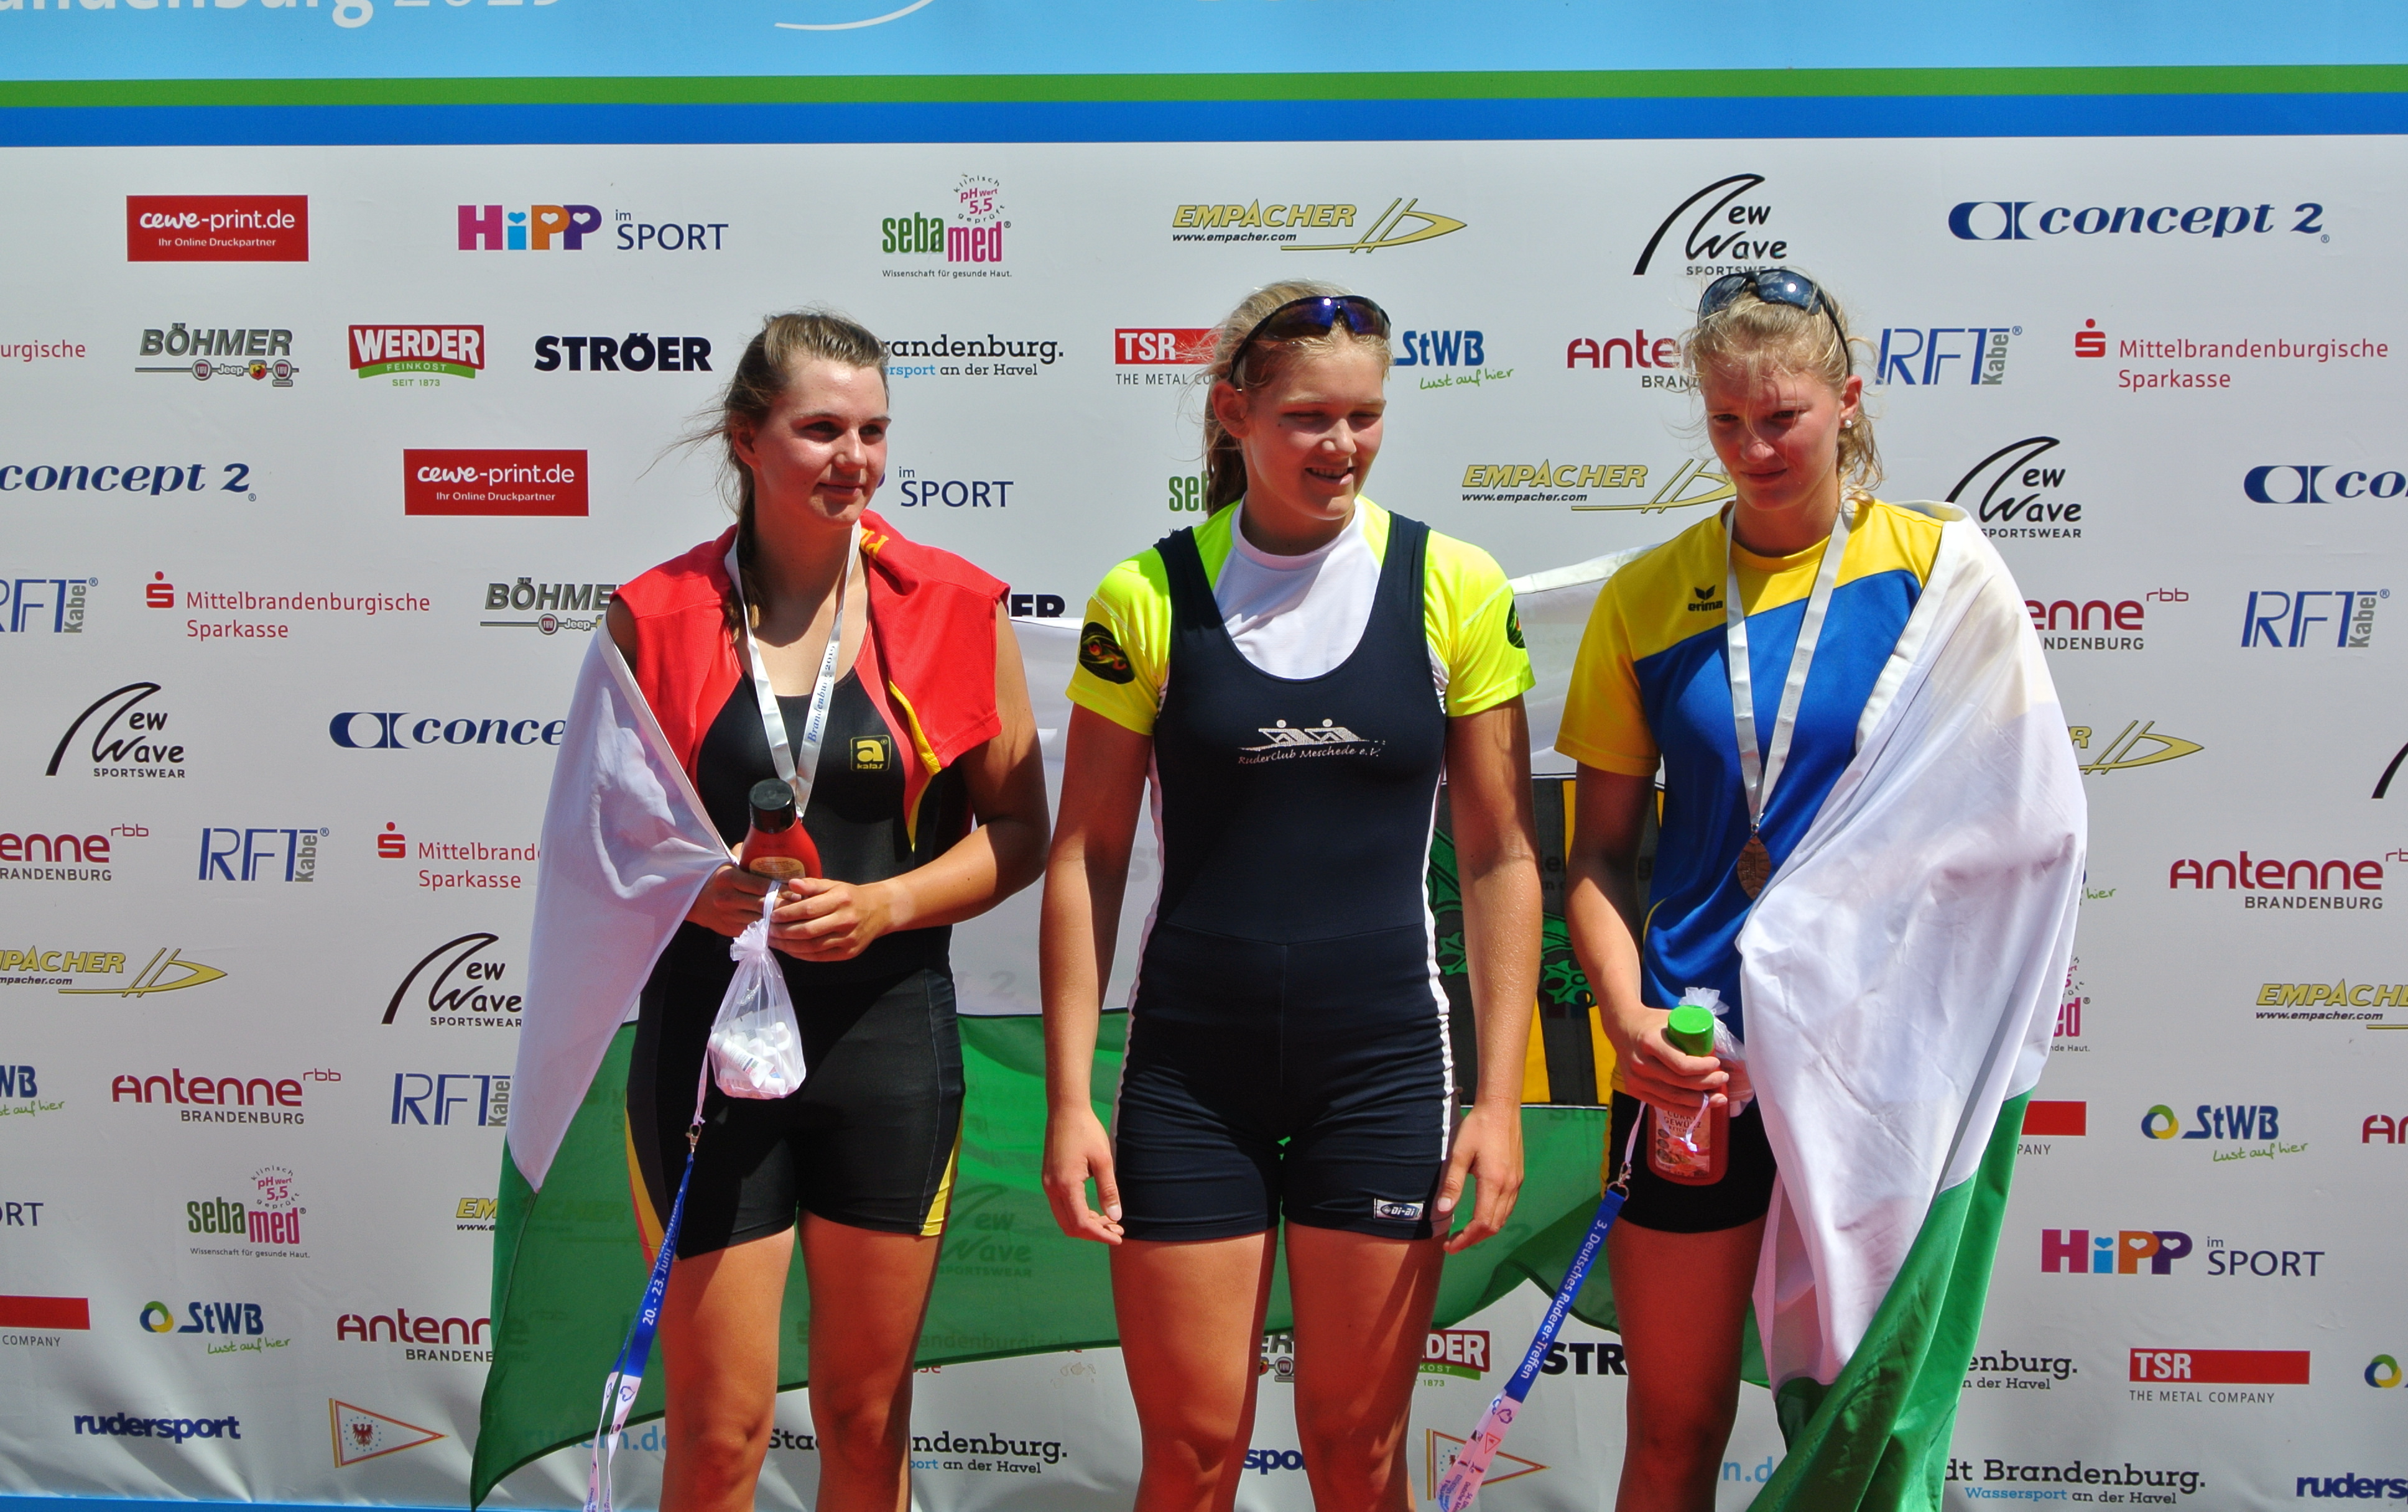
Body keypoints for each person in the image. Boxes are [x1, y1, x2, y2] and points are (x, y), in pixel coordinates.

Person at [1557, 270, 2082, 1511]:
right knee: (1673, 1429)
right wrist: (1628, 1019)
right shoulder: (1647, 596)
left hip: (1875, 1063)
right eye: (1726, 421)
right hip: (1694, 1056)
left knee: (1869, 1420)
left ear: (1846, 403)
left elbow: (2028, 824)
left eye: (1781, 417)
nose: (1753, 448)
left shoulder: (1942, 575)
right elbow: (1596, 855)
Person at [1039, 282, 1542, 1512]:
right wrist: (1068, 1099)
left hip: (1381, 1066)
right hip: (1188, 1075)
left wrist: (1498, 1101)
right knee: (1192, 1456)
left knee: (1358, 1455)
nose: (1342, 445)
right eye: (1310, 416)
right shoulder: (1145, 595)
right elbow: (1085, 857)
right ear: (1235, 415)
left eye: (1365, 416)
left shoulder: (1454, 581)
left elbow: (1500, 858)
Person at [608, 310, 1049, 1512]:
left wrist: (888, 903)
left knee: (865, 1420)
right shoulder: (651, 614)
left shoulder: (955, 605)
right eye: (820, 430)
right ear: (747, 439)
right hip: (705, 1056)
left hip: (886, 1043)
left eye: (873, 431)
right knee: (717, 1437)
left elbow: (1021, 832)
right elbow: (607, 846)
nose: (853, 458)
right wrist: (688, 887)